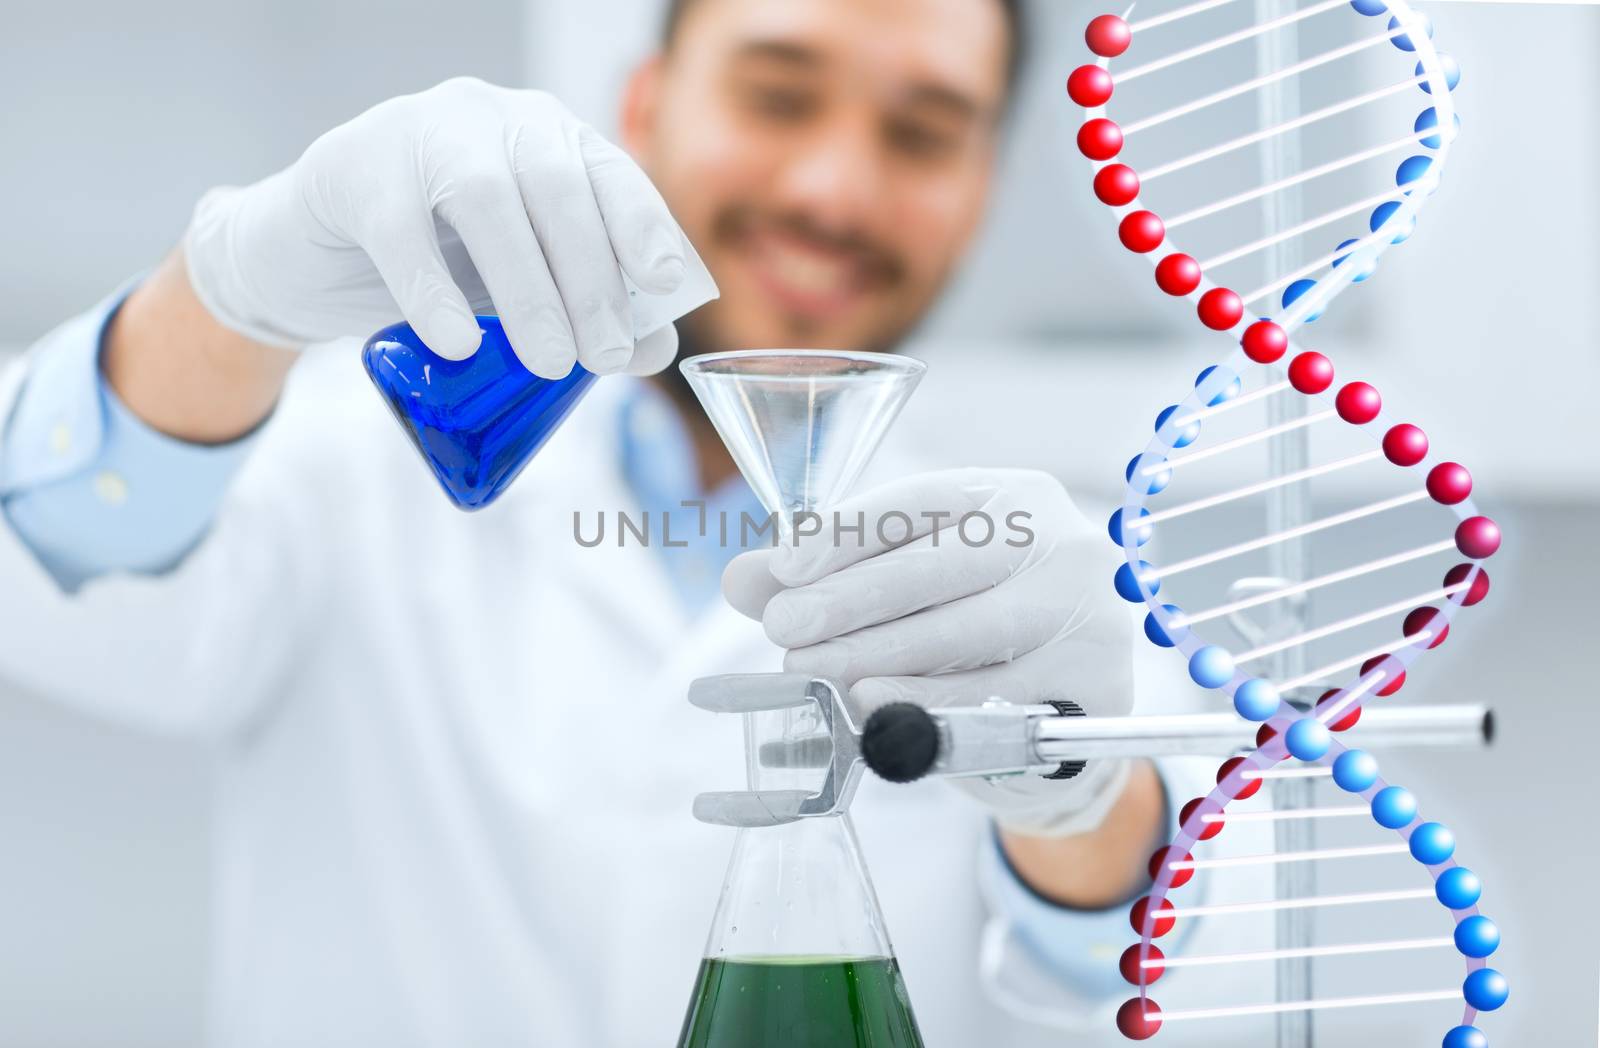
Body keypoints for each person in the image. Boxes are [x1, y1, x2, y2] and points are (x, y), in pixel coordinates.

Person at [0, 0, 1218, 1044]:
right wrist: (224, 302)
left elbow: (1172, 969)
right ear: (642, 110)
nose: (833, 188)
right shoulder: (346, 465)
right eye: (777, 96)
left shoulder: (1037, 583)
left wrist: (1076, 784)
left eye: (921, 132)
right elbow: (53, 561)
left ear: (980, 190)